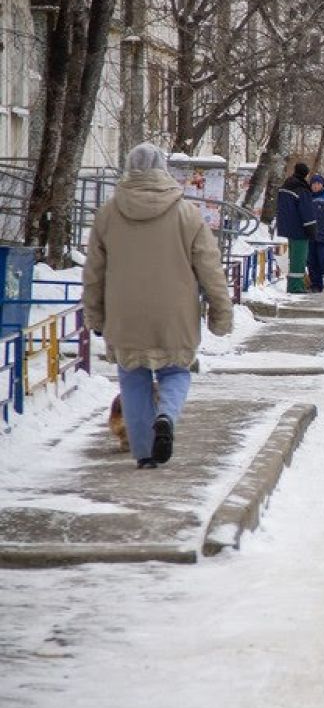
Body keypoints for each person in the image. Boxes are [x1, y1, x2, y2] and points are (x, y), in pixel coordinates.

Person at [83, 142, 233, 469]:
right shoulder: (187, 214)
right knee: (176, 371)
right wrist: (221, 313)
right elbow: (210, 267)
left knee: (132, 376)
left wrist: (94, 315)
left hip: (125, 316)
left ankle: (145, 452)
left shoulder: (107, 214)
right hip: (175, 316)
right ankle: (165, 416)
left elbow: (93, 271)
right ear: (162, 169)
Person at [276, 162, 317, 293]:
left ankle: (294, 284)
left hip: (287, 227)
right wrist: (312, 230)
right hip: (300, 229)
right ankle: (296, 286)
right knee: (299, 259)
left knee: (293, 257)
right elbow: (307, 211)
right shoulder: (301, 189)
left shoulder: (285, 186)